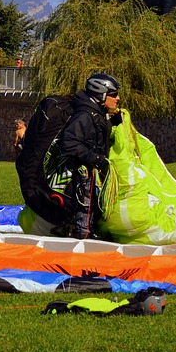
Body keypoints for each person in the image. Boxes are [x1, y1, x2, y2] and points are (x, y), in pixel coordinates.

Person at [58, 72, 122, 239]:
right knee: (85, 208)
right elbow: (69, 143)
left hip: (94, 171)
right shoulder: (84, 115)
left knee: (94, 207)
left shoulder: (97, 112)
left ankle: (88, 236)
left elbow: (95, 137)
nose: (118, 98)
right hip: (84, 173)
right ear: (100, 94)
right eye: (113, 95)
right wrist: (96, 158)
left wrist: (113, 122)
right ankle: (82, 242)